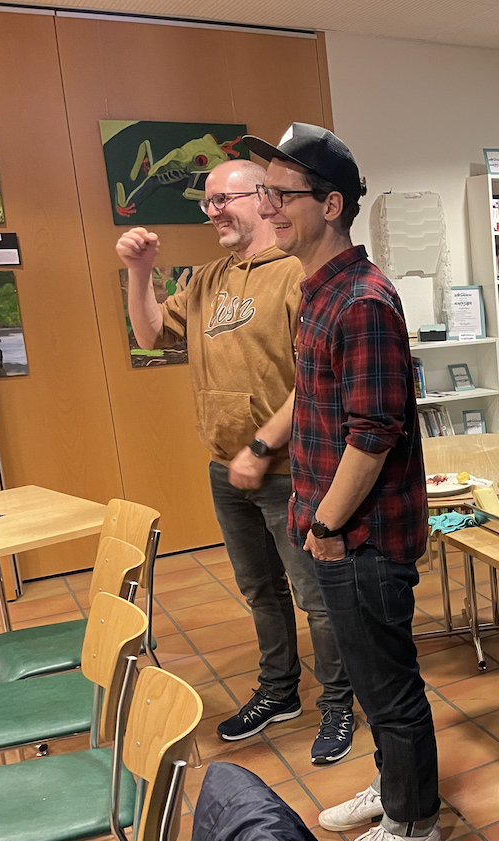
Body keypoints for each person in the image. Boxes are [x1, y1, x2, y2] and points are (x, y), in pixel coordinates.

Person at [242, 123, 440, 841]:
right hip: (336, 532)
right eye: (264, 192)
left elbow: (372, 435)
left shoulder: (362, 301)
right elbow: (317, 399)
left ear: (330, 205)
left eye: (280, 194)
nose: (267, 206)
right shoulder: (319, 293)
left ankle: (413, 823)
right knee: (370, 674)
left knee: (388, 684)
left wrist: (327, 523)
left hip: (363, 538)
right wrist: (268, 450)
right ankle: (396, 787)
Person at [116, 158, 357, 765]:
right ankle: (279, 691)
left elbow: (315, 381)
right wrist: (139, 273)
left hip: (290, 468)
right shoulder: (206, 280)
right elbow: (150, 335)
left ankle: (338, 703)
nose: (213, 211)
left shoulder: (297, 274)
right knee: (260, 592)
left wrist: (262, 447)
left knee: (315, 597)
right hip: (227, 469)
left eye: (224, 199)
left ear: (263, 198)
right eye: (207, 202)